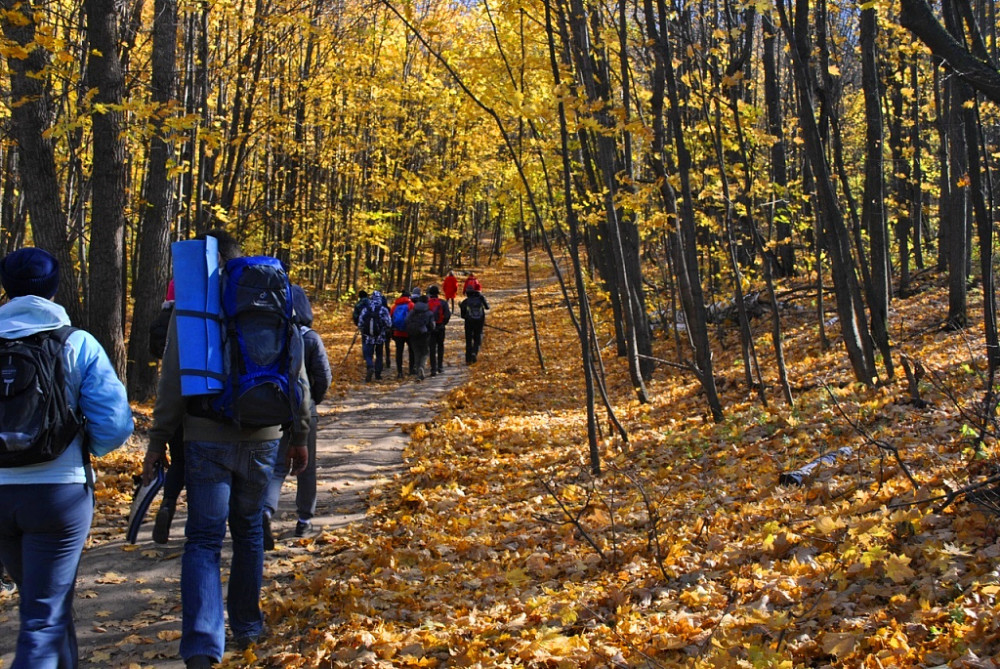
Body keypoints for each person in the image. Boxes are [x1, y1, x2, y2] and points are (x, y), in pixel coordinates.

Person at [142, 230, 311, 669]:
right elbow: (299, 375)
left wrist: (158, 440)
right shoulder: (276, 301)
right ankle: (248, 626)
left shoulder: (195, 307)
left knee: (203, 539)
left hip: (205, 438)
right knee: (250, 530)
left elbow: (171, 382)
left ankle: (201, 645)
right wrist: (299, 435)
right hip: (264, 437)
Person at [0, 247, 134, 667]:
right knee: (44, 615)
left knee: (46, 605)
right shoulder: (77, 343)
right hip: (59, 496)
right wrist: (82, 450)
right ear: (55, 288)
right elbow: (114, 424)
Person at [262, 285, 331, 547]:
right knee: (306, 467)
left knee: (277, 466)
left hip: (273, 411)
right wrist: (313, 401)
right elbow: (324, 376)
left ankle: (266, 511)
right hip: (304, 410)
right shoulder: (310, 338)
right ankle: (304, 521)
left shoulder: (269, 336)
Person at [149, 280, 186, 544]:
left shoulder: (162, 319)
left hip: (172, 395)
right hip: (198, 398)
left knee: (178, 460)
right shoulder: (194, 317)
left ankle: (167, 504)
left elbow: (154, 349)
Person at [357, 290, 391, 382]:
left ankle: (370, 366)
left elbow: (360, 322)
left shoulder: (366, 308)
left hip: (368, 336)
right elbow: (388, 323)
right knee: (379, 354)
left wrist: (361, 329)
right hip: (380, 336)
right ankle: (378, 374)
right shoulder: (383, 309)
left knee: (368, 354)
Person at [404, 294, 435, 381]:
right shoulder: (429, 312)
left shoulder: (413, 311)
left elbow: (406, 320)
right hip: (424, 334)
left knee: (416, 353)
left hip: (413, 334)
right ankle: (421, 367)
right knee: (425, 352)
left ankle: (418, 372)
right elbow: (432, 325)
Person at [460, 288, 490, 364]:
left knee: (468, 340)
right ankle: (474, 352)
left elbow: (462, 315)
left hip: (469, 322)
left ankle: (468, 360)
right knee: (478, 338)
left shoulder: (466, 301)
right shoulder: (480, 299)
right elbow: (487, 307)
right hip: (479, 321)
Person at [426, 285, 451, 376]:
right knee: (440, 346)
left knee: (432, 348)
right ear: (437, 293)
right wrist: (443, 323)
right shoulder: (443, 303)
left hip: (430, 329)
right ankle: (440, 367)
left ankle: (433, 369)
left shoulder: (427, 303)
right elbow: (447, 315)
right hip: (440, 327)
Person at [389, 289, 415, 379]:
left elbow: (390, 317)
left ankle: (399, 372)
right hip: (409, 332)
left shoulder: (395, 306)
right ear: (409, 297)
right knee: (411, 351)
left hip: (397, 332)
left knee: (399, 352)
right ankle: (411, 369)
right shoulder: (411, 305)